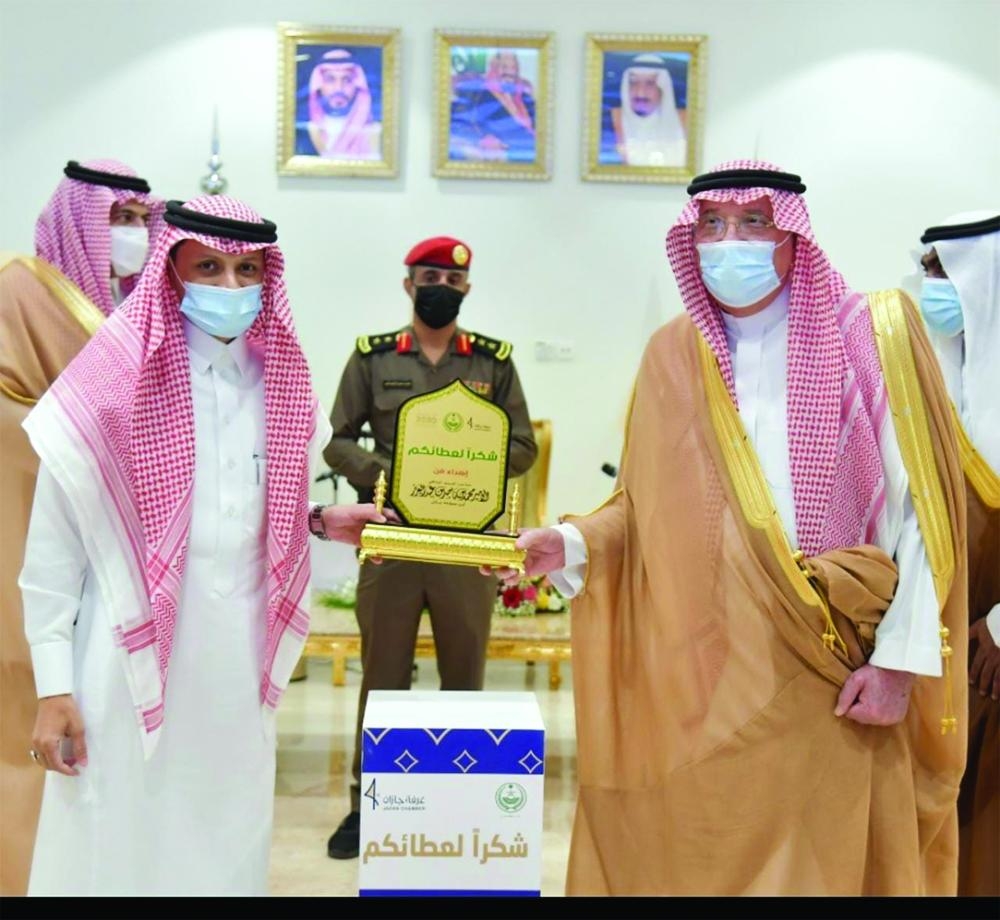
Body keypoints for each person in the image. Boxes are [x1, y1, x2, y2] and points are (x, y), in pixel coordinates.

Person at [503, 161, 968, 895]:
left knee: (818, 860)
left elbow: (923, 519)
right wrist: (574, 542)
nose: (730, 243)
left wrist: (898, 664)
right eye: (713, 225)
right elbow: (645, 504)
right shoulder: (674, 352)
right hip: (711, 660)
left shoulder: (871, 335)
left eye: (754, 222)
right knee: (708, 846)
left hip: (836, 655)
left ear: (794, 235)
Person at [18, 195, 388, 896]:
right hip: (122, 665)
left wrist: (318, 521)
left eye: (248, 270)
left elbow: (240, 512)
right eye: (209, 268)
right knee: (117, 839)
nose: (231, 286)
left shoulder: (280, 383)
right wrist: (54, 686)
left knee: (227, 837)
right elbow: (53, 559)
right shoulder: (108, 385)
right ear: (171, 271)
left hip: (238, 667)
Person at [324, 236, 537, 859]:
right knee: (383, 678)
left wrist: (466, 472)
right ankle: (367, 804)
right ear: (408, 284)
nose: (440, 287)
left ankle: (455, 802)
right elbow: (338, 441)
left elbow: (523, 445)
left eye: (451, 279)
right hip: (391, 539)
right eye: (428, 277)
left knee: (464, 677)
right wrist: (396, 476)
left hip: (465, 545)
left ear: (466, 288)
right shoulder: (373, 356)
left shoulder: (494, 362)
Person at [0, 158, 159, 897]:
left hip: (121, 537)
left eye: (141, 220)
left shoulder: (141, 305)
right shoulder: (21, 289)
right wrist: (81, 438)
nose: (132, 234)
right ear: (80, 220)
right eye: (118, 219)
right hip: (29, 513)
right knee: (27, 697)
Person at [917, 211, 999, 897]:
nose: (935, 290)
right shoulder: (931, 380)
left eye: (949, 273)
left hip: (990, 646)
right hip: (937, 636)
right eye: (928, 273)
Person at [449, 51, 536, 163]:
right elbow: (457, 122)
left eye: (513, 67)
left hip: (530, 149)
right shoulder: (478, 93)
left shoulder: (524, 97)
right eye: (504, 67)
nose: (510, 72)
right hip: (506, 152)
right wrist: (483, 138)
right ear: (494, 68)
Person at [611, 54, 686, 167]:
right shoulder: (611, 118)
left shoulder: (684, 120)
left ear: (663, 88)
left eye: (650, 83)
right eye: (633, 82)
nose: (640, 91)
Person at [306, 48, 381, 161]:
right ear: (319, 85)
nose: (339, 88)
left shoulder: (374, 131)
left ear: (357, 85)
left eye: (347, 80)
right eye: (330, 80)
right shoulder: (308, 130)